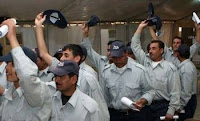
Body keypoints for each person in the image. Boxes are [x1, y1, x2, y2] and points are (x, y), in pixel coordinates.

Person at [35, 12, 109, 121]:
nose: (61, 59)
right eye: (61, 55)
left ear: (77, 59)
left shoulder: (88, 78)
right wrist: (38, 26)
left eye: (66, 55)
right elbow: (43, 54)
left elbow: (100, 109)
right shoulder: (60, 67)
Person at [0, 19, 52, 121]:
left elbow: (27, 75)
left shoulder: (39, 92)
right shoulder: (10, 95)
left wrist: (12, 38)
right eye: (8, 63)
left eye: (14, 64)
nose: (7, 68)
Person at [131, 21, 181, 121]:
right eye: (149, 49)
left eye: (154, 49)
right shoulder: (145, 62)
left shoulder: (169, 68)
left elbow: (175, 92)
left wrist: (171, 111)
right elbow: (135, 46)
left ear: (161, 51)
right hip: (146, 106)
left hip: (162, 107)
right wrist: (140, 28)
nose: (150, 51)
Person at [101, 40, 155, 121]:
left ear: (126, 53)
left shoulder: (139, 71)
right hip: (115, 115)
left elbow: (150, 91)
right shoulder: (106, 72)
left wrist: (142, 101)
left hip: (136, 115)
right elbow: (103, 97)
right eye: (114, 57)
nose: (117, 60)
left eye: (120, 57)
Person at [176, 44, 197, 121]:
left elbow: (186, 91)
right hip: (188, 100)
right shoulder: (187, 65)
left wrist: (179, 107)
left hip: (187, 102)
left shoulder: (186, 69)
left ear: (178, 54)